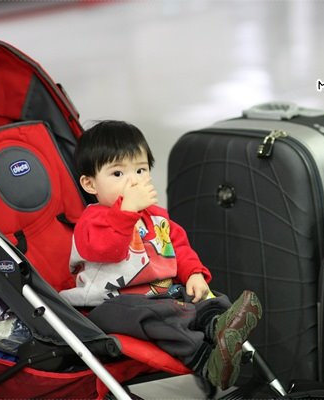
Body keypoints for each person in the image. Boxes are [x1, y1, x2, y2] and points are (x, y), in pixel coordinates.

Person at [59, 120, 261, 390]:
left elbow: (179, 247)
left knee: (207, 297)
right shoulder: (92, 220)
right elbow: (107, 249)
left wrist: (194, 274)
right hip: (107, 305)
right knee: (156, 314)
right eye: (118, 173)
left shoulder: (156, 217)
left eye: (140, 170)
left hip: (161, 294)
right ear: (90, 184)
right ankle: (206, 361)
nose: (134, 180)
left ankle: (219, 326)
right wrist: (127, 213)